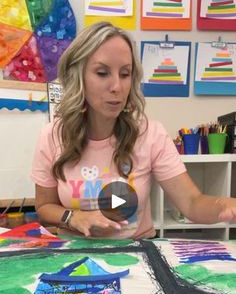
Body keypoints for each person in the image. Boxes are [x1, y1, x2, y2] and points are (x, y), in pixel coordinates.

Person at [31, 21, 236, 239]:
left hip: (139, 256)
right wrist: (73, 217)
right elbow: (44, 207)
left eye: (125, 74)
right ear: (78, 76)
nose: (117, 87)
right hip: (76, 256)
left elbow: (192, 203)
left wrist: (224, 205)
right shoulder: (53, 135)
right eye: (102, 73)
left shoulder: (150, 134)